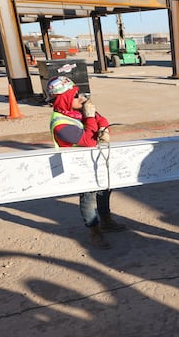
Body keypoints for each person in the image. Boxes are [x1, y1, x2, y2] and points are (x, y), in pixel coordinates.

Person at [46, 76, 126, 249]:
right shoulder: (60, 123)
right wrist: (90, 118)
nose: (81, 98)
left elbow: (101, 119)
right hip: (79, 166)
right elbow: (88, 141)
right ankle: (94, 231)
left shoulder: (75, 111)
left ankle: (106, 220)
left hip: (95, 160)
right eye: (75, 96)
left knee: (104, 189)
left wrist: (102, 127)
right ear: (64, 99)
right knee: (88, 197)